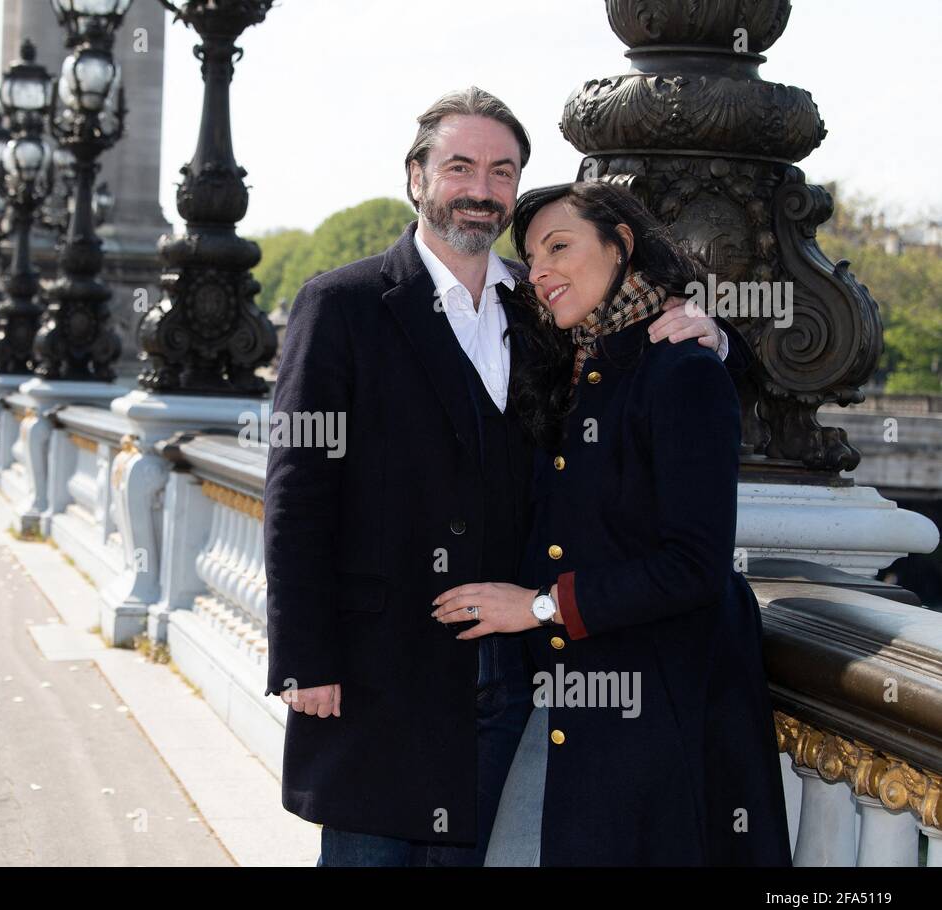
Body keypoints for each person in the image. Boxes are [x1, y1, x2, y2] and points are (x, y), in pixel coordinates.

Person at [263, 87, 738, 867]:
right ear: (416, 178)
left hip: (508, 671)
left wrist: (717, 335)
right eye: (460, 167)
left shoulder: (543, 303)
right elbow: (298, 494)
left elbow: (649, 363)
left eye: (502, 171)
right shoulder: (339, 305)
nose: (481, 189)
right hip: (379, 669)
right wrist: (305, 660)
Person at [432, 180, 789, 866]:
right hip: (579, 710)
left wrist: (538, 606)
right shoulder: (575, 366)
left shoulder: (681, 369)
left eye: (559, 246)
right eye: (532, 257)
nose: (539, 272)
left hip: (660, 718)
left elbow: (694, 566)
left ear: (621, 243)